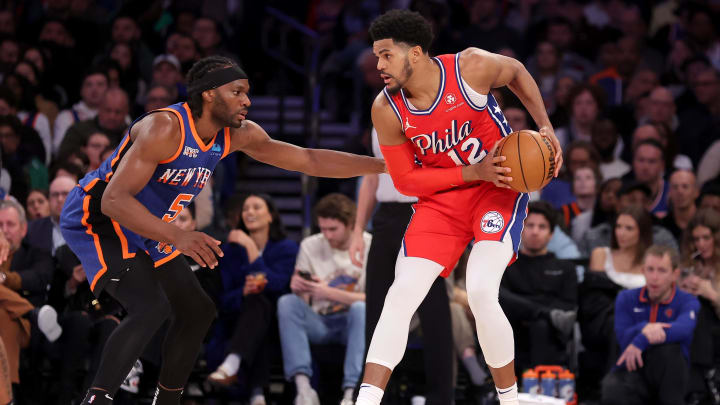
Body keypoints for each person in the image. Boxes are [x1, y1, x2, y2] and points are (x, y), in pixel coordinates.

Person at [59, 56, 385, 405]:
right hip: (99, 218)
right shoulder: (165, 128)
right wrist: (180, 236)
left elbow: (308, 159)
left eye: (247, 93)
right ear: (210, 94)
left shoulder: (235, 135)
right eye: (237, 92)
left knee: (197, 310)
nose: (247, 101)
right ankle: (96, 400)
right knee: (151, 307)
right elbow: (114, 201)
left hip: (149, 224)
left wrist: (383, 165)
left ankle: (166, 400)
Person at [356, 10, 562, 405]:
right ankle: (366, 400)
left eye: (386, 55)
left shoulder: (471, 66)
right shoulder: (386, 108)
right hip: (445, 200)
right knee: (401, 294)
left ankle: (509, 399)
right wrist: (470, 172)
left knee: (483, 292)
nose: (378, 65)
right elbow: (405, 181)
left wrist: (546, 127)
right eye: (376, 56)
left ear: (415, 53)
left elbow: (517, 71)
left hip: (498, 189)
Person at [349, 128, 453, 405]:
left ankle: (441, 398)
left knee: (434, 313)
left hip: (428, 211)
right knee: (377, 311)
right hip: (386, 217)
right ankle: (379, 396)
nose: (387, 80)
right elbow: (372, 177)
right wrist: (358, 230)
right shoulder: (380, 112)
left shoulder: (438, 107)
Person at [278, 193, 370, 405]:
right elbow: (301, 293)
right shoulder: (310, 245)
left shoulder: (369, 245)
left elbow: (375, 301)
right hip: (320, 321)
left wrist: (328, 292)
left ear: (349, 225)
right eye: (323, 229)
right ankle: (304, 390)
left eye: (333, 229)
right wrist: (298, 286)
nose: (327, 235)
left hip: (354, 323)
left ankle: (351, 394)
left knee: (360, 309)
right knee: (287, 303)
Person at [207, 194, 298, 405]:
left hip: (276, 322)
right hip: (236, 320)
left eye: (257, 207)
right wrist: (242, 293)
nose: (249, 212)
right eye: (246, 208)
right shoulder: (229, 252)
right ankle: (258, 394)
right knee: (255, 307)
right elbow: (223, 298)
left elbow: (278, 285)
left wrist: (250, 247)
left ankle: (233, 364)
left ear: (271, 216)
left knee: (261, 304)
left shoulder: (288, 249)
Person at [601, 245, 699, 405]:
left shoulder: (687, 301)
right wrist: (643, 327)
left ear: (675, 274)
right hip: (633, 370)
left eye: (662, 270)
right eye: (650, 269)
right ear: (642, 271)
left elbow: (684, 329)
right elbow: (622, 337)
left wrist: (642, 338)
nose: (654, 277)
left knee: (669, 350)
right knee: (612, 386)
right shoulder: (625, 298)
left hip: (670, 376)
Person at [499, 201, 577, 374]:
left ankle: (540, 388)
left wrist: (528, 309)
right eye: (530, 225)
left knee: (541, 325)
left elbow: (567, 308)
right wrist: (543, 309)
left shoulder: (565, 268)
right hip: (511, 331)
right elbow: (500, 300)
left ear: (551, 234)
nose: (535, 231)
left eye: (542, 227)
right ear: (521, 228)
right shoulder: (506, 265)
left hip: (550, 336)